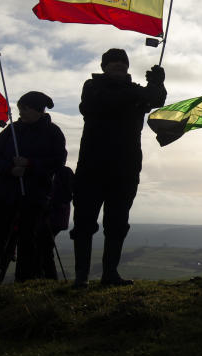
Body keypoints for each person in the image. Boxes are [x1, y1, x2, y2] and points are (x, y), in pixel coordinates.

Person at [71, 49, 166, 287]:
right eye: (113, 63)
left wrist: (157, 83)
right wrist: (142, 91)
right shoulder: (92, 87)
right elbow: (102, 102)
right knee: (84, 222)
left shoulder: (135, 92)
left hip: (125, 166)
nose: (118, 66)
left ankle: (109, 274)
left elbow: (156, 100)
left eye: (122, 64)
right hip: (92, 166)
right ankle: (81, 276)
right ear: (104, 67)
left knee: (117, 223)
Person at [0, 91, 67, 283]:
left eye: (25, 109)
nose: (21, 113)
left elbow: (58, 161)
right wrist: (9, 169)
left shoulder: (53, 132)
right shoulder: (13, 130)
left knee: (29, 239)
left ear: (37, 109)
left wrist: (30, 165)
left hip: (35, 194)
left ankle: (25, 279)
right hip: (7, 193)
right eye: (20, 109)